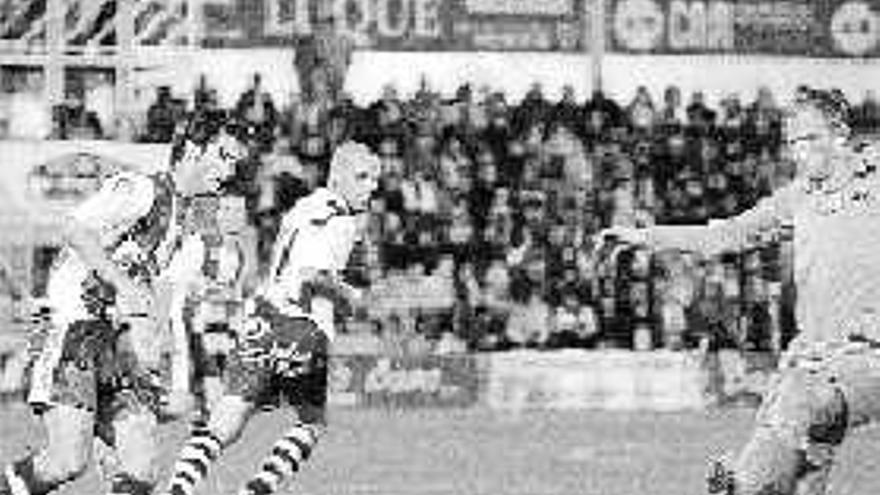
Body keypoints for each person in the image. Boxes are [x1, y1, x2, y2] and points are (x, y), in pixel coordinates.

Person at [596, 88, 880, 495]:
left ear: (839, 133)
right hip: (810, 356)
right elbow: (724, 236)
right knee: (787, 479)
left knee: (800, 403)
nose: (801, 152)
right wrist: (645, 237)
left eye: (810, 138)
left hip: (867, 355)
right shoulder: (796, 198)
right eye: (794, 143)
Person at [0, 111, 246, 495]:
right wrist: (122, 285)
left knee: (143, 469)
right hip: (74, 330)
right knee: (67, 461)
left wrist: (149, 353)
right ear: (194, 150)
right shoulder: (140, 189)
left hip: (115, 346)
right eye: (225, 157)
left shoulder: (183, 221)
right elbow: (74, 229)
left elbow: (159, 299)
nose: (229, 172)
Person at [161, 140, 381, 495]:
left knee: (225, 421)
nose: (370, 186)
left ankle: (179, 488)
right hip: (301, 328)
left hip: (263, 317)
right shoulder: (341, 220)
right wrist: (352, 296)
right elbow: (312, 275)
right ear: (338, 179)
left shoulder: (303, 207)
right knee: (311, 423)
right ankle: (255, 491)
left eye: (374, 179)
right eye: (362, 177)